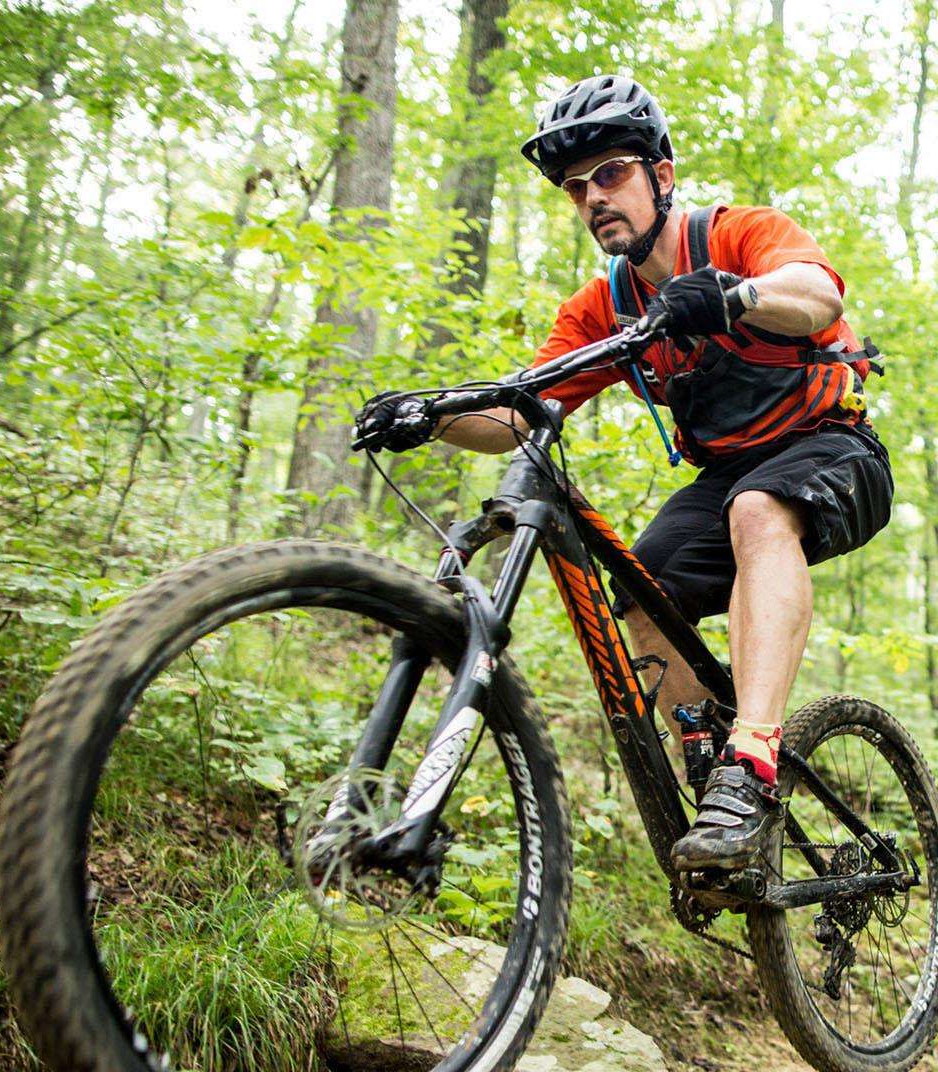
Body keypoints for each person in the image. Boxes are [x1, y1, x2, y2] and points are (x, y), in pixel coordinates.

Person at [356, 75, 893, 874]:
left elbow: (816, 297)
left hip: (836, 448)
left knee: (757, 509)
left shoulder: (738, 234)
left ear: (660, 175)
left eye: (610, 174)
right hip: (728, 473)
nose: (593, 198)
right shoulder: (602, 306)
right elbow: (515, 415)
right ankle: (712, 776)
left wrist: (733, 297)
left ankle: (752, 763)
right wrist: (429, 416)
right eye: (577, 188)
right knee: (643, 591)